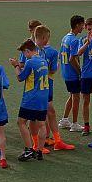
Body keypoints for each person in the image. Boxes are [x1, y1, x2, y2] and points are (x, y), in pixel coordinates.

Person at [33, 24, 74, 152]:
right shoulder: (51, 52)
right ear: (45, 38)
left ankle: (56, 141)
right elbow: (53, 70)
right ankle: (37, 145)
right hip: (41, 86)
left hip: (42, 86)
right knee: (37, 115)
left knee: (50, 112)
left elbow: (23, 66)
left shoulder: (29, 49)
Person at [10, 39, 49, 161]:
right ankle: (39, 151)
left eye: (23, 53)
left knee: (21, 122)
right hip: (43, 97)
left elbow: (20, 77)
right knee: (41, 124)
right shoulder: (43, 61)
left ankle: (28, 150)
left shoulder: (30, 62)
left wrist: (16, 66)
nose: (24, 56)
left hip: (31, 98)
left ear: (27, 51)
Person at [58, 15, 85, 133]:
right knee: (76, 97)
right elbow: (72, 59)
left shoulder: (65, 38)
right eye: (82, 25)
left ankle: (64, 120)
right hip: (72, 73)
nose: (83, 27)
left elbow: (61, 55)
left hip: (65, 72)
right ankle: (74, 124)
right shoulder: (74, 40)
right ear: (77, 25)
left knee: (72, 95)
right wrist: (80, 72)